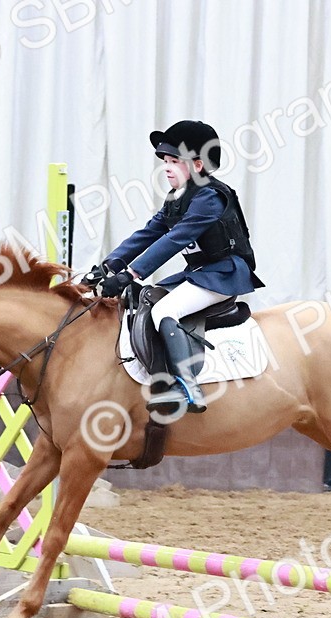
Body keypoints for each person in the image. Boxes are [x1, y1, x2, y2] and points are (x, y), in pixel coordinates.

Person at [91, 120, 264, 414]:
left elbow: (175, 239)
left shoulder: (210, 197)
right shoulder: (176, 198)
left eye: (174, 162)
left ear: (197, 165)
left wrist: (130, 273)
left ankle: (188, 388)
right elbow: (148, 233)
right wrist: (108, 266)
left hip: (224, 274)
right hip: (200, 275)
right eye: (165, 162)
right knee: (145, 298)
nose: (167, 168)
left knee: (164, 311)